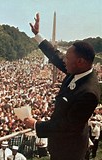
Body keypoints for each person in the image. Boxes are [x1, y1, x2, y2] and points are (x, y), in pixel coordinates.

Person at [24, 13, 101, 160]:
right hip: (61, 145)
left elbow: (67, 126)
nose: (64, 60)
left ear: (80, 61)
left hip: (70, 151)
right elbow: (55, 55)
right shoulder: (79, 71)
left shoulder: (89, 93)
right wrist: (37, 35)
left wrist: (37, 125)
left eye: (67, 58)